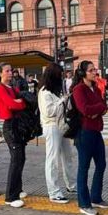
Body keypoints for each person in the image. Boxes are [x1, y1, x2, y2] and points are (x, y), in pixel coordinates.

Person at [71, 60, 108, 215]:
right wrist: (98, 109)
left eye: (95, 70)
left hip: (96, 131)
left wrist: (98, 110)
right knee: (84, 167)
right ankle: (84, 202)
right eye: (91, 70)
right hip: (84, 132)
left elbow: (104, 107)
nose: (95, 72)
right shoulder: (79, 89)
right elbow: (85, 110)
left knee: (101, 164)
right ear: (83, 73)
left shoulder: (95, 88)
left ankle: (95, 197)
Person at [38, 63, 74, 203]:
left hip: (61, 125)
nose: (62, 77)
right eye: (60, 75)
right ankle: (53, 191)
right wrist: (63, 101)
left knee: (68, 156)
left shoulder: (55, 90)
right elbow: (49, 112)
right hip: (52, 126)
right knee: (52, 159)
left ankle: (71, 184)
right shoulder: (45, 92)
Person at [0, 62, 28, 208]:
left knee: (21, 158)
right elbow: (12, 105)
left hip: (17, 125)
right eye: (7, 71)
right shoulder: (0, 89)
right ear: (0, 73)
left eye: (11, 70)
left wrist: (19, 102)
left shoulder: (13, 88)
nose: (10, 73)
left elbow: (23, 102)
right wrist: (18, 102)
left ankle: (18, 189)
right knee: (16, 159)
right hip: (9, 125)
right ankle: (10, 196)